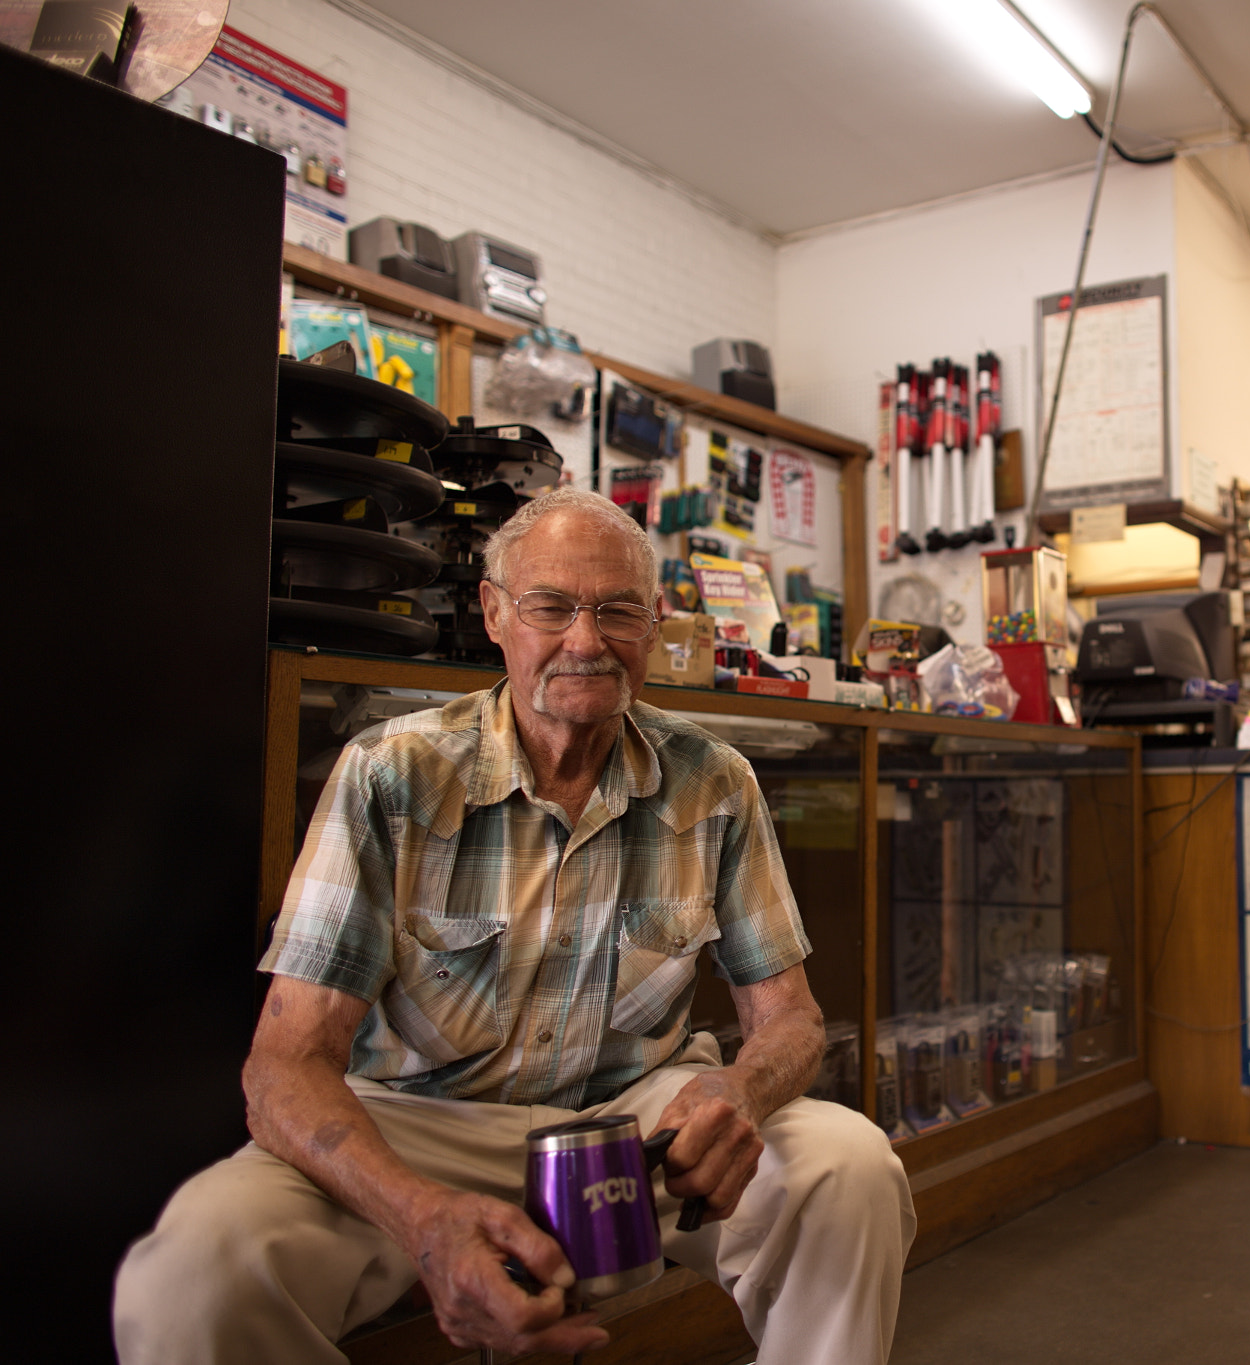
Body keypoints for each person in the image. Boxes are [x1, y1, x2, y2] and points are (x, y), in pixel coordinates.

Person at [114, 487, 915, 1365]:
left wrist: (742, 1092)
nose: (586, 640)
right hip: (419, 1125)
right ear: (494, 612)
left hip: (632, 1123)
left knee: (849, 1169)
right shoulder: (393, 774)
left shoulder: (713, 781)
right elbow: (284, 1065)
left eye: (617, 611)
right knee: (191, 1274)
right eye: (552, 607)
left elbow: (789, 1017)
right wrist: (418, 1214)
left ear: (652, 624)